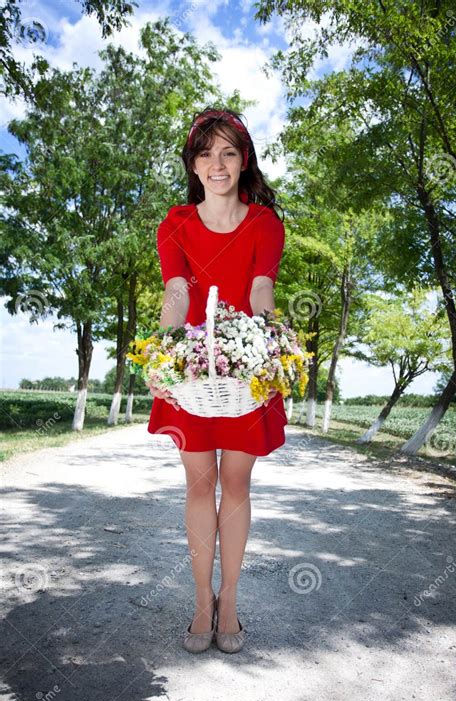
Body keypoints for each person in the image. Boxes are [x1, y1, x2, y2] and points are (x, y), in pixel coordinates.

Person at [147, 107, 287, 654]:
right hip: (193, 369)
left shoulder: (263, 224)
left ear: (243, 159)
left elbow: (259, 293)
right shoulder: (175, 225)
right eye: (206, 153)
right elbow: (177, 296)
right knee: (199, 485)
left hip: (243, 369)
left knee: (238, 484)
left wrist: (272, 351)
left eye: (228, 151)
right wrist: (164, 358)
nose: (217, 163)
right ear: (194, 165)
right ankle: (200, 602)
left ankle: (229, 601)